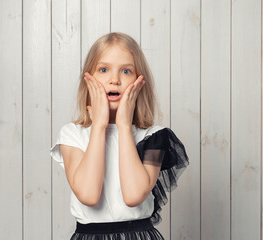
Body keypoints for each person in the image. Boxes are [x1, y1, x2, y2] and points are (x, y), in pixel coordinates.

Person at [50, 32, 189, 240]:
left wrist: (124, 126)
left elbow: (134, 195)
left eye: (126, 71)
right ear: (89, 78)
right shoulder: (72, 134)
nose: (114, 80)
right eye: (103, 69)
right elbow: (88, 194)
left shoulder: (153, 136)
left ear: (140, 81)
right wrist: (99, 126)